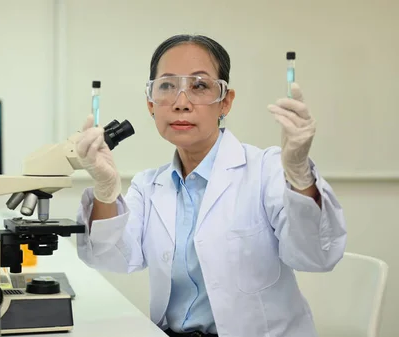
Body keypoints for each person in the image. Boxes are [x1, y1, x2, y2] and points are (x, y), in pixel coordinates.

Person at [74, 34, 347, 337]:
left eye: (199, 86)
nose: (181, 103)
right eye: (167, 86)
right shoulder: (148, 186)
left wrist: (299, 174)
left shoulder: (266, 171)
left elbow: (317, 255)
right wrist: (104, 189)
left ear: (225, 102)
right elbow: (110, 256)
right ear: (151, 104)